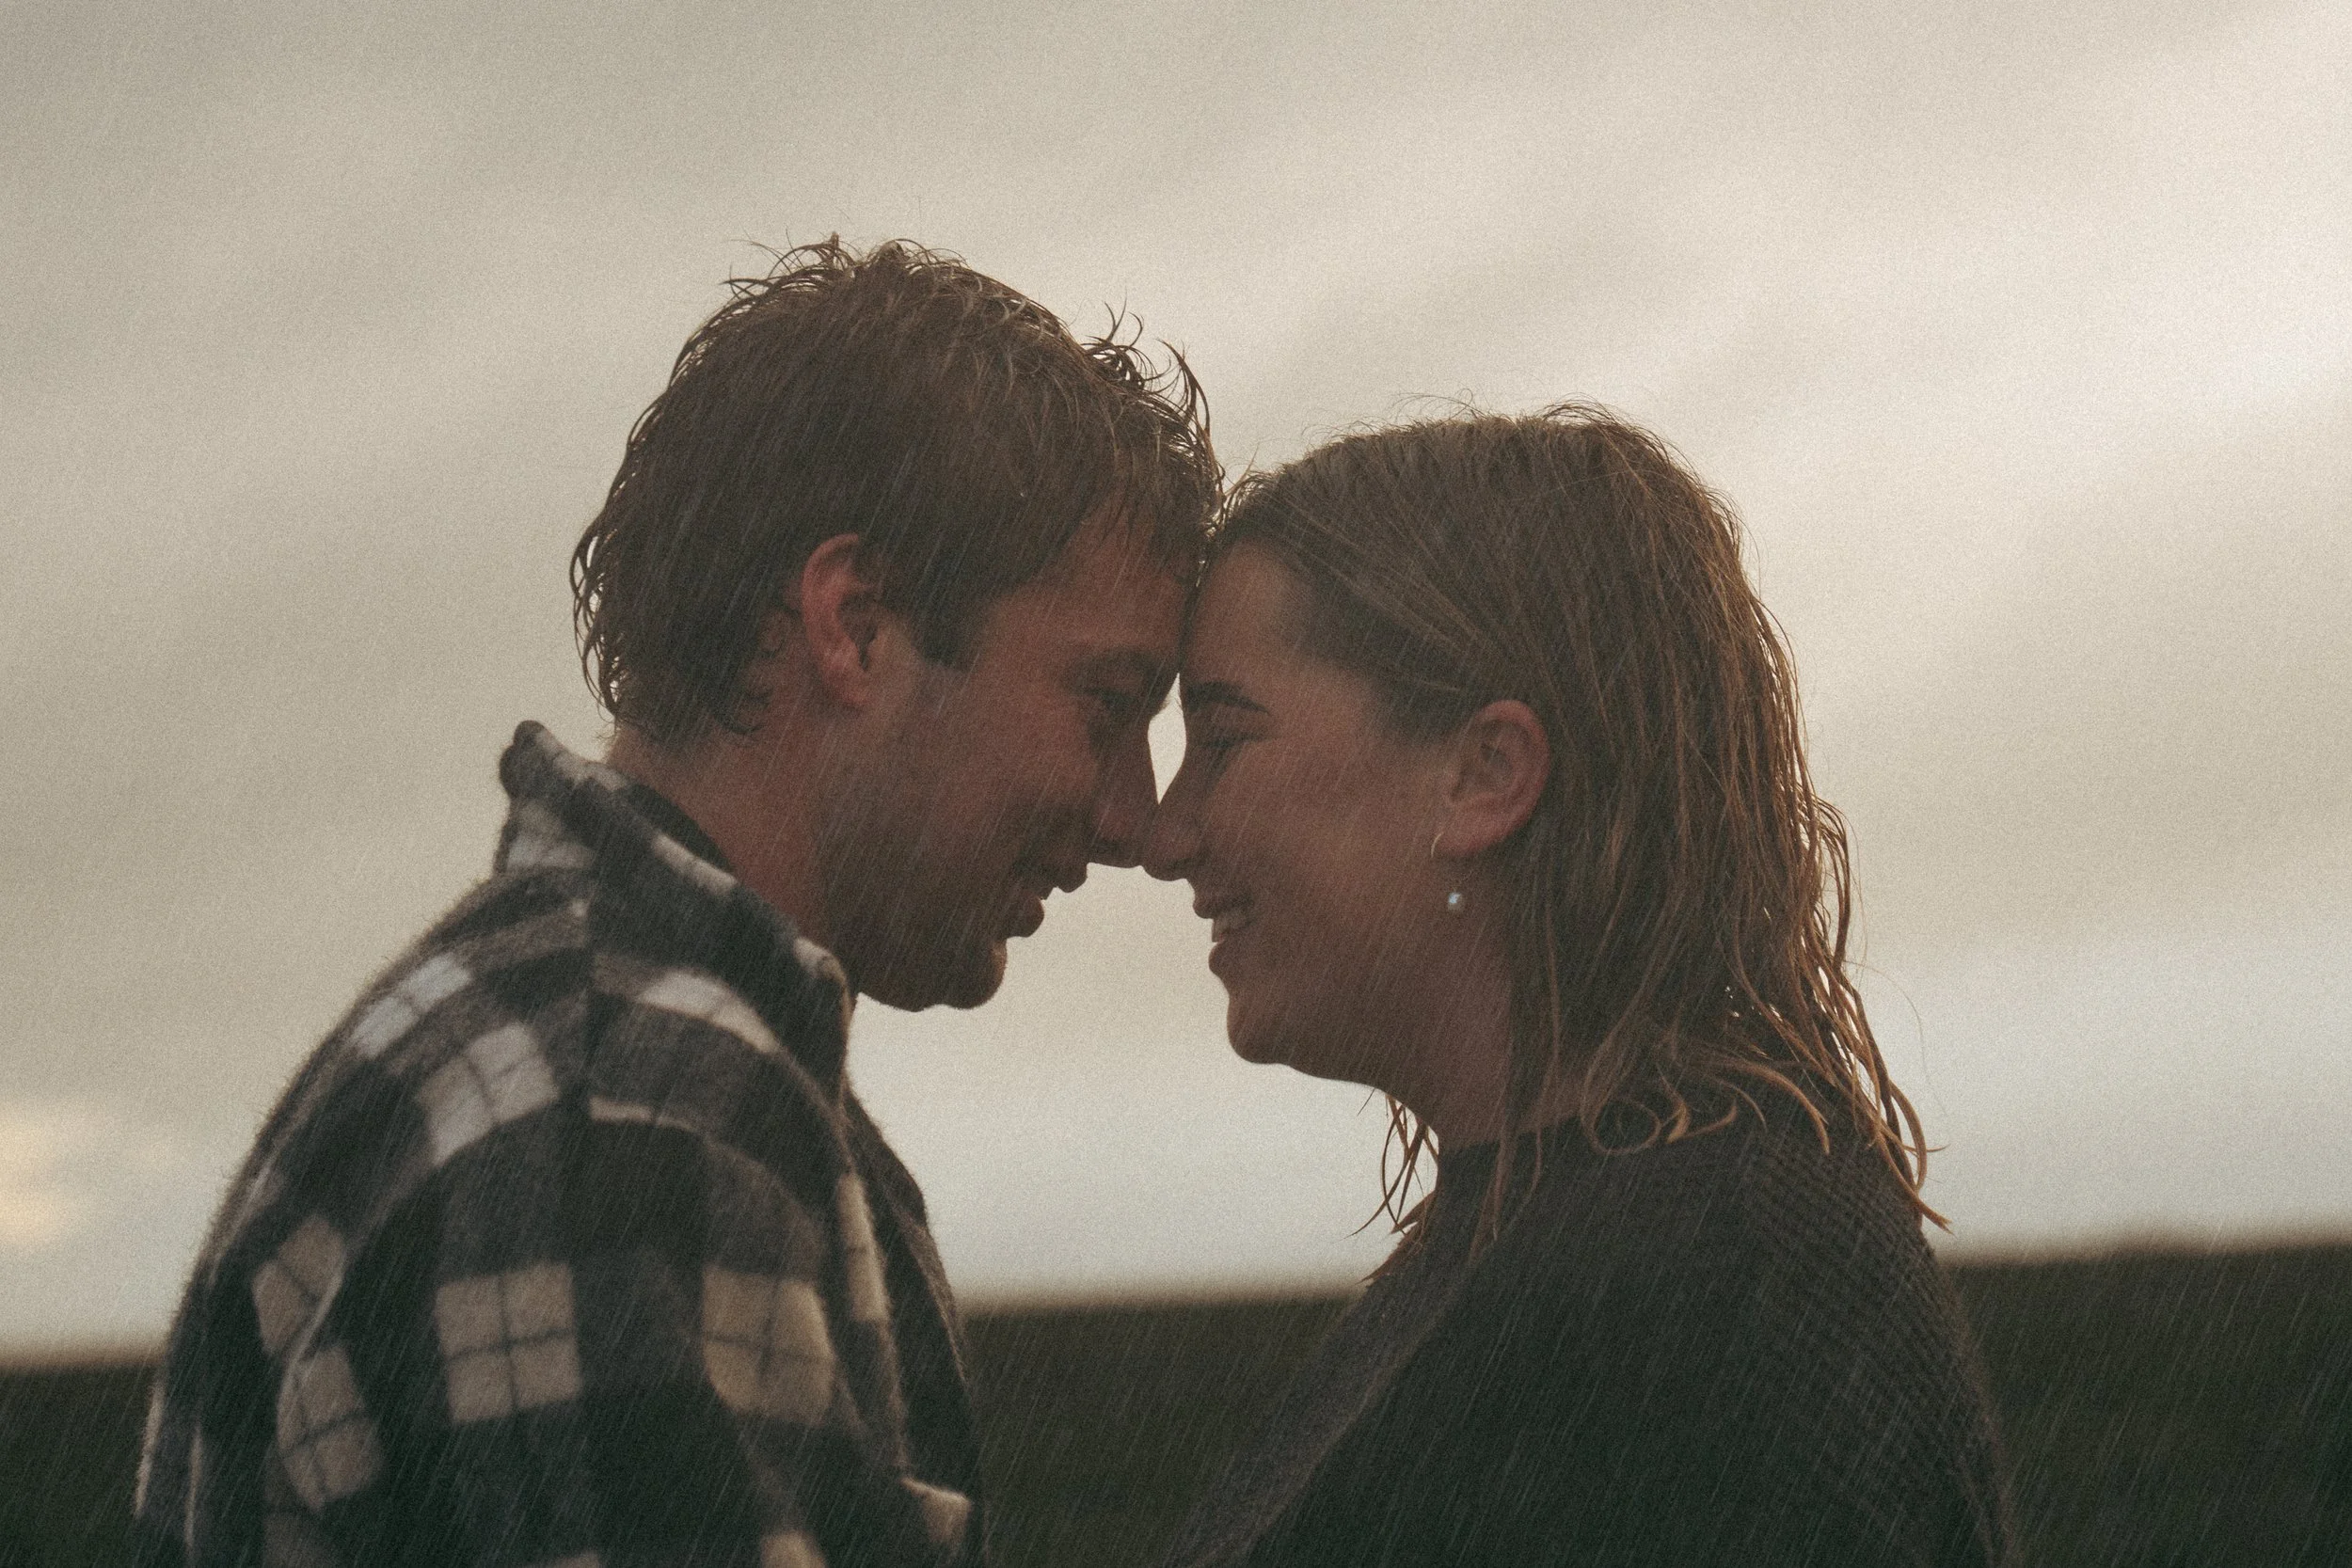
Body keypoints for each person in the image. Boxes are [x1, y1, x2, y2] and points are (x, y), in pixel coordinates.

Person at [133, 239, 1219, 1567]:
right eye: (1107, 705)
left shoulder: (587, 1050)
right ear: (857, 624)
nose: (1137, 817)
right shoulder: (627, 1117)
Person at [1142, 406, 2010, 1566]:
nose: (1164, 828)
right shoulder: (1581, 1242)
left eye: (1223, 736)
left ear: (1484, 774)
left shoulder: (1714, 1281)